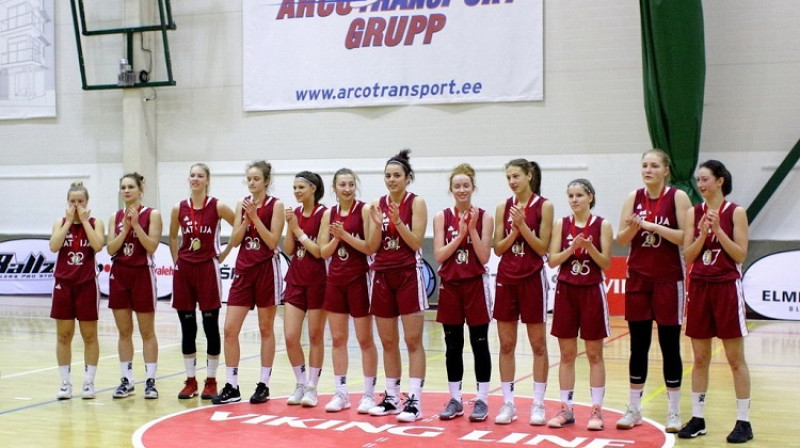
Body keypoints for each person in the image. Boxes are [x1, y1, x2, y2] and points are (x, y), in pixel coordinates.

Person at [615, 149, 691, 432]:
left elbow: (686, 236)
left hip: (668, 280)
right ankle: (634, 407)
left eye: (654, 166)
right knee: (638, 345)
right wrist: (635, 228)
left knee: (670, 346)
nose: (648, 170)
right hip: (638, 279)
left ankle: (674, 411)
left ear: (666, 170)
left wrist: (651, 226)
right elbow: (621, 239)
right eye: (644, 165)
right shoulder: (632, 198)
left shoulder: (678, 198)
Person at [678, 160, 753, 444]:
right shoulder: (692, 213)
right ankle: (698, 418)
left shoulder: (737, 212)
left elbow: (739, 255)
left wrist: (719, 231)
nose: (700, 185)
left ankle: (744, 421)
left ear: (720, 181)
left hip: (725, 288)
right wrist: (703, 234)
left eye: (705, 179)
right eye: (698, 180)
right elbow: (689, 256)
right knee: (699, 358)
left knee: (735, 359)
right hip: (699, 288)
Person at [212, 161, 284, 405]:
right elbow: (234, 240)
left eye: (256, 179)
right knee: (230, 329)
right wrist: (245, 219)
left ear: (266, 181)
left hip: (266, 269)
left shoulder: (276, 206)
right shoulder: (241, 204)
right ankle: (232, 385)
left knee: (266, 329)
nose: (252, 183)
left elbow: (273, 242)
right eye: (249, 179)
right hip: (244, 270)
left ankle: (263, 384)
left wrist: (255, 217)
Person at [366, 149, 428, 423]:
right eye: (388, 176)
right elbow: (371, 246)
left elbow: (415, 243)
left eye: (397, 176)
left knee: (413, 340)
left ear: (407, 178)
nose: (391, 180)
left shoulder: (416, 202)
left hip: (407, 274)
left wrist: (398, 221)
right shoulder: (375, 205)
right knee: (388, 341)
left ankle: (414, 401)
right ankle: (391, 397)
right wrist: (379, 225)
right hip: (382, 274)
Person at [546, 179, 613, 431]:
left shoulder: (602, 225)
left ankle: (596, 410)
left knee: (595, 354)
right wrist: (572, 249)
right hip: (566, 291)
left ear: (590, 197)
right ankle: (566, 408)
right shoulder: (561, 224)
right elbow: (553, 260)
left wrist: (589, 248)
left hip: (592, 291)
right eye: (571, 195)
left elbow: (606, 262)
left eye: (579, 195)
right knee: (566, 354)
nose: (574, 200)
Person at [492, 159, 553, 425]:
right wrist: (514, 231)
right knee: (506, 344)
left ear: (529, 176)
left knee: (538, 344)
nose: (512, 181)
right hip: (507, 277)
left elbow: (542, 248)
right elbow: (497, 248)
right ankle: (508, 403)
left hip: (532, 278)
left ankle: (538, 403)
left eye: (516, 176)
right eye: (508, 177)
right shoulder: (502, 207)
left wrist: (524, 227)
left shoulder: (545, 206)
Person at [432, 163, 494, 421]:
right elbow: (439, 255)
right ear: (451, 189)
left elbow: (484, 256)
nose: (461, 190)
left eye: (465, 185)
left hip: (475, 284)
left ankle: (482, 399)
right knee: (452, 345)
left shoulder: (485, 217)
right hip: (451, 286)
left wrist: (471, 230)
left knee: (480, 343)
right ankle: (455, 399)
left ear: (473, 188)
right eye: (456, 186)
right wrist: (459, 235)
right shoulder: (441, 217)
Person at [169, 163, 235, 400]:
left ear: (207, 180)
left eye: (200, 176)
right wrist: (177, 261)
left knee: (210, 327)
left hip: (208, 268)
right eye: (192, 175)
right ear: (189, 180)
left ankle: (211, 380)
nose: (195, 179)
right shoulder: (179, 207)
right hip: (185, 270)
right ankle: (189, 381)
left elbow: (240, 226)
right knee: (188, 328)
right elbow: (173, 236)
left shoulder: (217, 206)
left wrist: (223, 254)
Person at [318, 168, 379, 413]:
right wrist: (336, 239)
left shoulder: (364, 210)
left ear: (356, 186)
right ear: (334, 187)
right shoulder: (328, 214)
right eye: (342, 184)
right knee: (338, 339)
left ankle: (368, 394)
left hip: (359, 279)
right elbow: (323, 251)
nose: (347, 188)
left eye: (351, 184)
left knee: (365, 339)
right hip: (335, 280)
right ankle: (341, 392)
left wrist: (344, 235)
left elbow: (369, 247)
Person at [106, 173, 163, 399]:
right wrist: (125, 229)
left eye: (131, 187)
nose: (127, 191)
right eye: (123, 187)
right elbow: (111, 249)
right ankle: (127, 380)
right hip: (120, 274)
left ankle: (150, 380)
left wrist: (137, 226)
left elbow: (151, 247)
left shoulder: (152, 214)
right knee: (124, 331)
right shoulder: (115, 216)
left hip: (142, 273)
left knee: (147, 331)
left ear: (141, 190)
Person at [49, 181, 105, 400]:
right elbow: (54, 246)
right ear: (67, 202)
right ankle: (65, 383)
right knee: (63, 335)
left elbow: (98, 245)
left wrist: (83, 221)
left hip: (87, 283)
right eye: (72, 201)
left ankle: (89, 382)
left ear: (87, 202)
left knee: (89, 335)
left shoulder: (94, 222)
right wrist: (69, 223)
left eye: (80, 201)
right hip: (63, 283)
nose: (76, 205)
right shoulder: (60, 222)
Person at [283, 171, 327, 407]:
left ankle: (312, 387)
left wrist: (299, 229)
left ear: (313, 188)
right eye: (294, 188)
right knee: (290, 336)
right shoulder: (295, 214)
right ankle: (300, 383)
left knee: (315, 336)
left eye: (301, 187)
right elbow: (289, 248)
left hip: (319, 281)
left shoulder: (324, 213)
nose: (297, 191)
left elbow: (319, 251)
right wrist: (290, 227)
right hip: (296, 279)